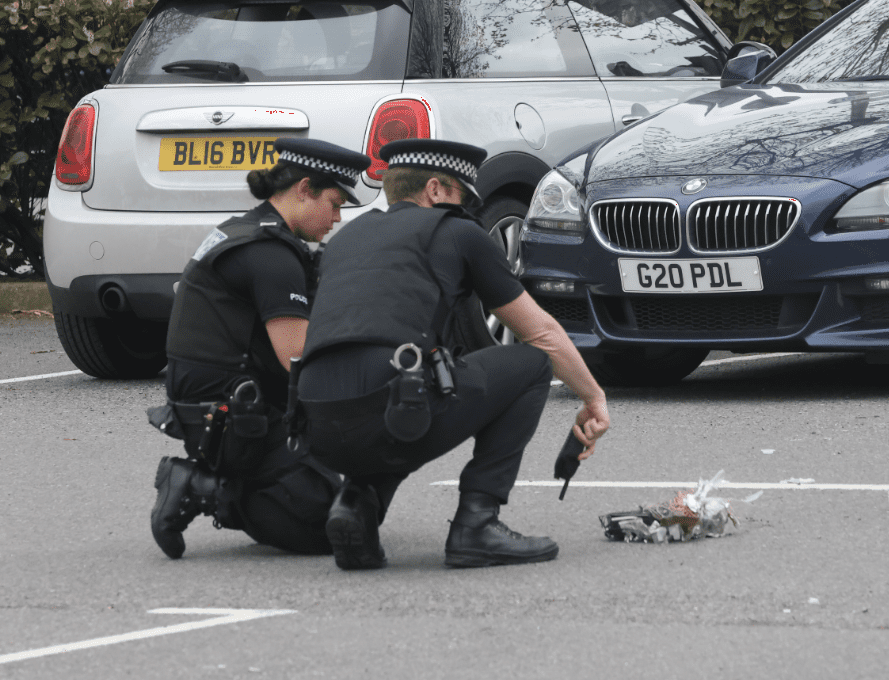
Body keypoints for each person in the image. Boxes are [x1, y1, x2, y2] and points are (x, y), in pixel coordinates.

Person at [295, 139, 611, 570]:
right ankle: (476, 523)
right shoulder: (457, 232)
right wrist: (593, 399)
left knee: (393, 386)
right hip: (393, 414)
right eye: (462, 198)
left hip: (315, 427)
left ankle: (356, 504)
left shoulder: (344, 238)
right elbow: (542, 334)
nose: (466, 214)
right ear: (436, 190)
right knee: (531, 364)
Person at [148, 137, 371, 559]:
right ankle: (202, 488)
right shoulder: (272, 255)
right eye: (335, 202)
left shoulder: (245, 230)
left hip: (217, 403)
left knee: (349, 508)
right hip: (231, 416)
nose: (338, 218)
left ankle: (234, 482)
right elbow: (297, 360)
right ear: (304, 189)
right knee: (332, 525)